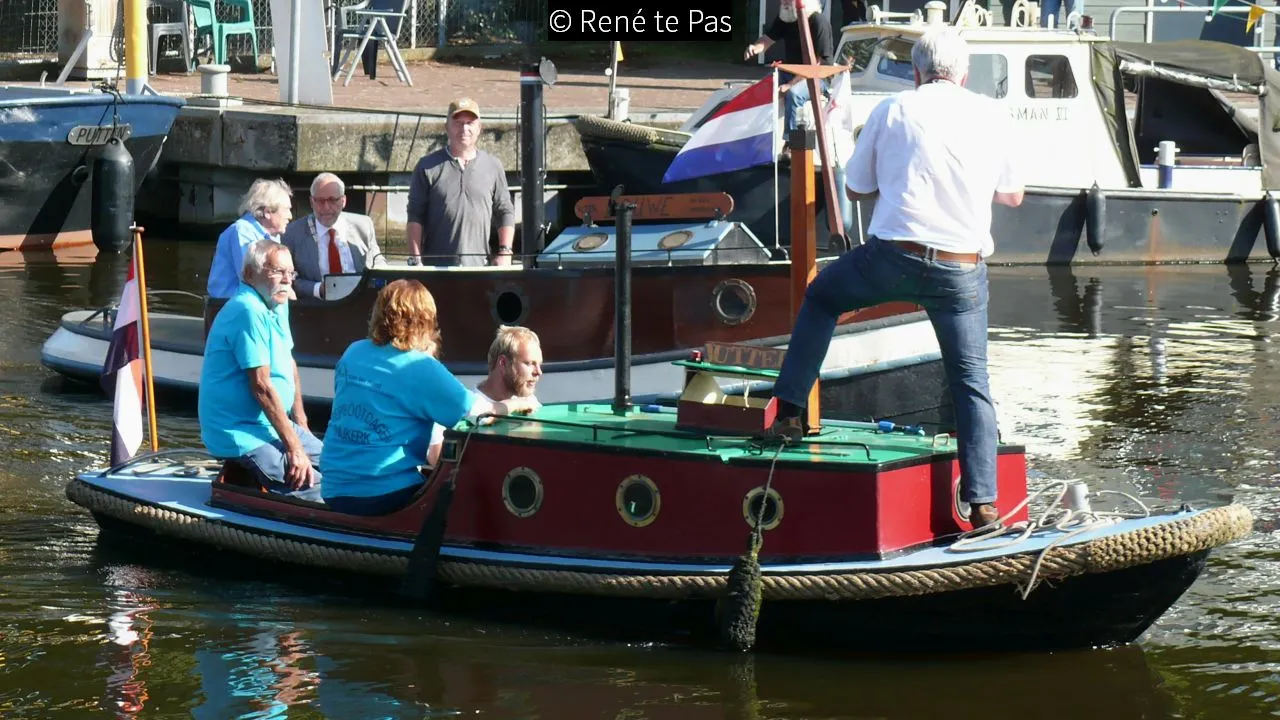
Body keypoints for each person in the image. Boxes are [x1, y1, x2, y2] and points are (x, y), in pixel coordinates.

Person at [758, 27, 1023, 529]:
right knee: (971, 381)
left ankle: (789, 413)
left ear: (916, 72)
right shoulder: (993, 114)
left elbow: (856, 188)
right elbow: (1012, 195)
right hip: (960, 268)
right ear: (964, 74)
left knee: (822, 299)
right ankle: (983, 504)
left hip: (893, 258)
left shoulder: (893, 109)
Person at [320, 280, 539, 515]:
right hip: (382, 494)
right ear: (425, 320)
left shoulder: (352, 352)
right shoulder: (418, 366)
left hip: (333, 489)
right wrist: (517, 403)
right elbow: (482, 414)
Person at [199, 240, 322, 501]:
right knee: (315, 486)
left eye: (291, 273)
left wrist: (301, 426)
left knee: (340, 467)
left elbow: (288, 362)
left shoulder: (277, 302)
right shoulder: (248, 309)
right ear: (249, 274)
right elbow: (262, 386)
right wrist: (295, 448)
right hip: (240, 430)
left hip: (270, 423)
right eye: (277, 271)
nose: (287, 280)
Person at [405, 98, 516, 268]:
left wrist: (505, 252)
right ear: (447, 127)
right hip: (435, 268)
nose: (464, 129)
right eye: (458, 123)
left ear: (479, 128)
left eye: (470, 123)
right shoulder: (426, 166)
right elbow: (415, 215)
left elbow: (505, 211)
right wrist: (415, 259)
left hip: (480, 268)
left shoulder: (493, 166)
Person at [420, 325, 545, 467]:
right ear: (503, 363)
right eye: (529, 363)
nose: (538, 372)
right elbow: (439, 462)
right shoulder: (460, 408)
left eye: (539, 364)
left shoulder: (530, 402)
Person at [281, 172, 384, 300]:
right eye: (320, 201)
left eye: (332, 200)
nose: (326, 207)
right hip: (317, 305)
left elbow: (377, 262)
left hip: (360, 300)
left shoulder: (363, 225)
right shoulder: (292, 233)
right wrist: (317, 289)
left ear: (343, 201)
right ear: (312, 202)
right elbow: (286, 278)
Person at [744, 0, 834, 135]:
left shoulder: (818, 21)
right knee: (763, 87)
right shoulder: (786, 18)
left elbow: (817, 64)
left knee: (794, 94)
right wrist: (755, 47)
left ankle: (791, 140)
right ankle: (756, 134)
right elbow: (768, 39)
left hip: (818, 77)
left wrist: (790, 85)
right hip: (792, 73)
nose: (783, 2)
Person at [207, 178, 294, 299]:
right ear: (267, 212)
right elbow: (255, 278)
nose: (290, 216)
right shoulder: (241, 232)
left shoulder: (274, 235)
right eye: (286, 209)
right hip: (230, 304)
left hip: (259, 298)